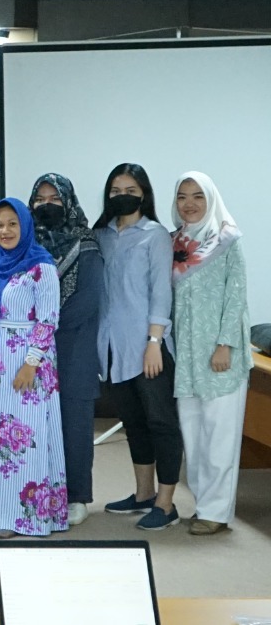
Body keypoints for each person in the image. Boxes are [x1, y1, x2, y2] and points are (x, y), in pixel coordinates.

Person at [0, 198, 66, 538]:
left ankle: (19, 517)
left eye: (12, 224)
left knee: (23, 440)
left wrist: (31, 363)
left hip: (27, 362)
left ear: (25, 226)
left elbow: (49, 319)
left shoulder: (42, 266)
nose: (5, 231)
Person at [94, 163, 182, 531]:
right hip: (112, 348)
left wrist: (154, 342)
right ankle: (144, 493)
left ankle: (166, 503)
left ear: (143, 194)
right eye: (116, 191)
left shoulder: (155, 235)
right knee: (133, 422)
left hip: (148, 347)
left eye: (130, 190)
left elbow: (161, 292)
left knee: (161, 422)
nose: (122, 196)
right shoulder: (100, 235)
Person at [170, 172, 251, 536]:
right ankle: (204, 504)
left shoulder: (227, 240)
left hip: (221, 357)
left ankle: (216, 512)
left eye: (198, 196)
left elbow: (236, 297)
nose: (189, 204)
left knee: (220, 437)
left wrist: (224, 344)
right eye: (182, 196)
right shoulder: (175, 243)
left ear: (211, 199)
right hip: (187, 358)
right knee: (195, 437)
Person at [29, 173, 103, 526]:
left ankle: (77, 497)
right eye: (40, 199)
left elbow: (88, 299)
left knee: (74, 425)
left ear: (68, 202)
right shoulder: (26, 244)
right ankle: (42, 492)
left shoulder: (86, 244)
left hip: (74, 348)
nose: (47, 205)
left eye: (55, 199)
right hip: (33, 351)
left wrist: (45, 324)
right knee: (36, 424)